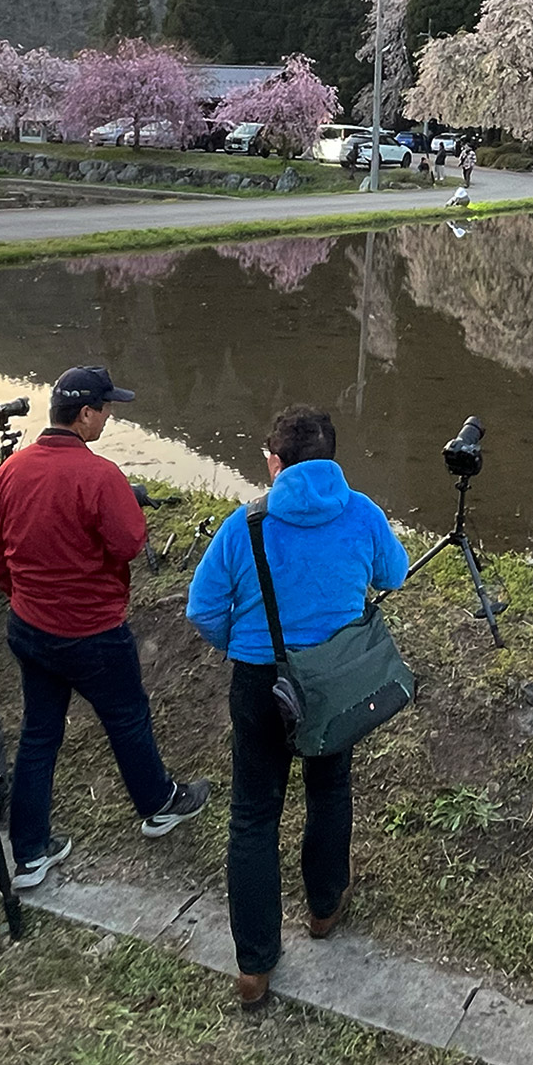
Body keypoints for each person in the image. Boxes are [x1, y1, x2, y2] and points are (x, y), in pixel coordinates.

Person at [184, 405, 410, 1008]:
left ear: (276, 462)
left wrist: (246, 649)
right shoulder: (362, 512)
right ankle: (324, 906)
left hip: (261, 685)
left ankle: (254, 966)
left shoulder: (244, 525)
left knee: (253, 816)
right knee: (330, 788)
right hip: (334, 681)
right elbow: (395, 572)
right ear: (332, 460)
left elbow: (202, 609)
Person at [0, 364, 210, 890]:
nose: (108, 418)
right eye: (106, 409)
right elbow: (129, 544)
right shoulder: (100, 475)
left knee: (39, 734)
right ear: (85, 414)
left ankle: (30, 852)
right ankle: (159, 804)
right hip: (92, 633)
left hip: (29, 626)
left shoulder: (11, 471)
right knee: (127, 717)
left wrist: (18, 595)